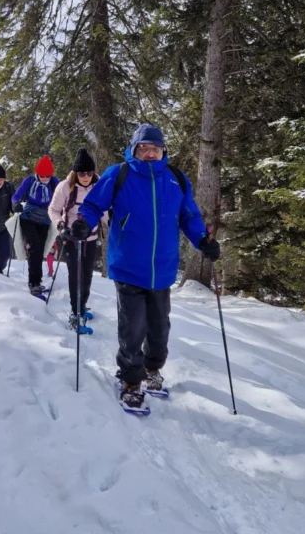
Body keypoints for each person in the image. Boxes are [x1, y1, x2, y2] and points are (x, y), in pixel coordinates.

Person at [74, 124, 220, 412]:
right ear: (134, 149)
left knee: (159, 327)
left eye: (155, 148)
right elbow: (93, 205)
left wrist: (202, 240)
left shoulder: (176, 178)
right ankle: (130, 382)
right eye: (144, 148)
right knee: (132, 327)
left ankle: (153, 369)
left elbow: (189, 215)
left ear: (163, 150)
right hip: (128, 264)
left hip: (162, 269)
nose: (150, 152)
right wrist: (82, 223)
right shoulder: (119, 173)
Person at [49, 148, 108, 330]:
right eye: (82, 173)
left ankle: (82, 306)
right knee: (76, 275)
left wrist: (114, 226)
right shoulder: (65, 187)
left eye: (89, 172)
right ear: (76, 173)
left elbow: (105, 211)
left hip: (90, 238)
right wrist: (60, 226)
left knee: (87, 275)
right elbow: (53, 210)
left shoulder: (99, 186)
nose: (86, 176)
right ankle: (75, 312)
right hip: (71, 238)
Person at [12, 155, 59, 294]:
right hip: (28, 218)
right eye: (42, 175)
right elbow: (16, 196)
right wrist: (15, 204)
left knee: (40, 251)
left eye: (47, 175)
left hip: (45, 220)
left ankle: (37, 281)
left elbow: (63, 197)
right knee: (35, 248)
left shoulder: (54, 182)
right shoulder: (29, 181)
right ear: (37, 173)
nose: (45, 178)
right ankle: (34, 283)